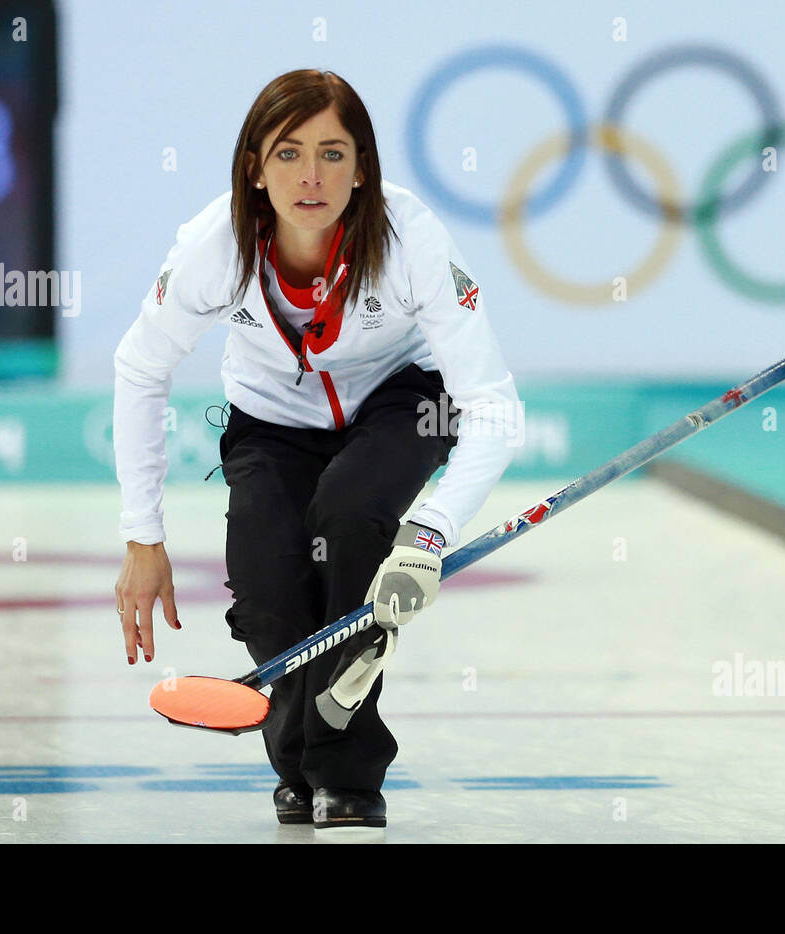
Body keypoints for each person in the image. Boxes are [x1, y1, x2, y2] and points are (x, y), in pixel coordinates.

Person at [112, 69, 519, 831]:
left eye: (334, 154)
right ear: (254, 168)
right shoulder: (214, 246)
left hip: (404, 402)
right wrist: (143, 535)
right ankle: (299, 766)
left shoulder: (411, 238)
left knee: (352, 511)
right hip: (271, 420)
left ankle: (349, 773)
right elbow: (140, 367)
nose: (311, 176)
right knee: (268, 586)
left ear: (363, 167)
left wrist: (430, 534)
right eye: (289, 153)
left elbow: (493, 408)